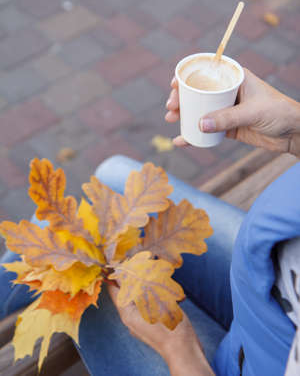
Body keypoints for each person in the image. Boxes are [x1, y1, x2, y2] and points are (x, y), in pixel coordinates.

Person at [0, 68, 299, 375]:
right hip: (267, 274)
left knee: (75, 257)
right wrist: (294, 129)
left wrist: (179, 349)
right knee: (113, 176)